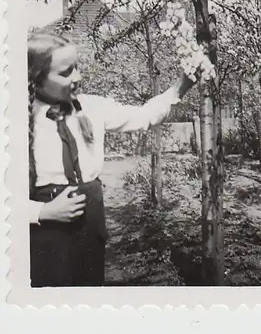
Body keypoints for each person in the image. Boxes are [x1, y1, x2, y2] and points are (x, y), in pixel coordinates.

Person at [28, 32, 195, 287]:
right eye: (65, 73)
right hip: (45, 235)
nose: (78, 78)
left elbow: (143, 116)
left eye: (77, 68)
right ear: (35, 79)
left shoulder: (93, 108)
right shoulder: (17, 122)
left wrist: (180, 87)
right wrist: (42, 211)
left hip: (91, 226)